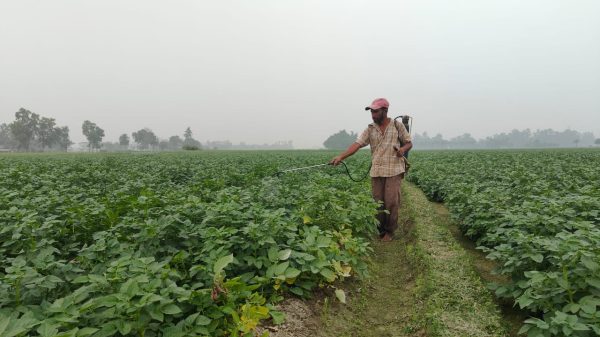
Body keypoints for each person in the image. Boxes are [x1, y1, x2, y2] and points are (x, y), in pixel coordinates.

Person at [330, 98, 412, 242]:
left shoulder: (397, 126)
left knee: (391, 202)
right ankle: (380, 230)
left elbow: (409, 143)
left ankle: (390, 231)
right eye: (372, 112)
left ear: (385, 111)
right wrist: (341, 157)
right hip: (377, 171)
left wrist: (402, 149)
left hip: (394, 170)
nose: (373, 114)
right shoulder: (370, 129)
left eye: (376, 111)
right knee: (377, 202)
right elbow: (357, 144)